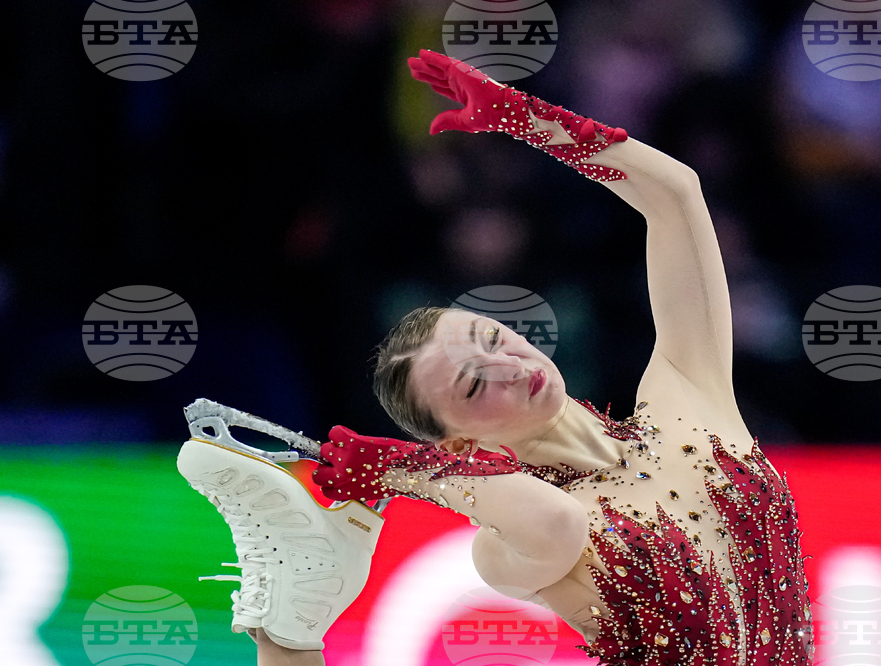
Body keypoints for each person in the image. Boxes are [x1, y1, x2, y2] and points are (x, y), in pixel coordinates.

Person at [180, 49, 814, 666]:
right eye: (475, 387)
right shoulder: (509, 547)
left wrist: (526, 119)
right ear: (458, 447)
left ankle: (291, 626)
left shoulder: (685, 396)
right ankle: (288, 632)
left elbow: (676, 194)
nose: (510, 366)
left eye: (491, 339)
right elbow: (554, 522)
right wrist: (397, 469)